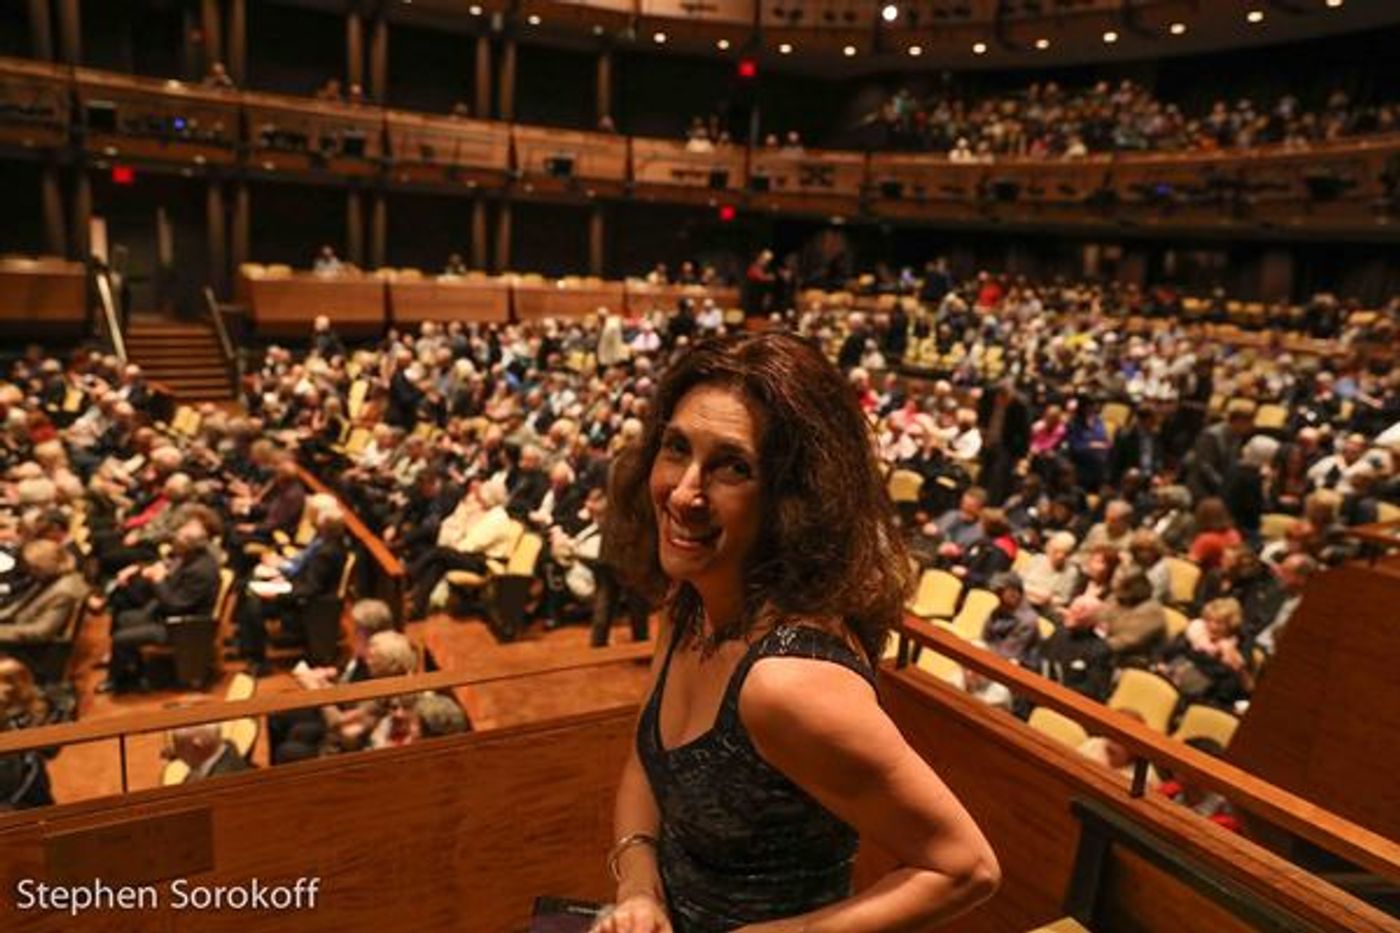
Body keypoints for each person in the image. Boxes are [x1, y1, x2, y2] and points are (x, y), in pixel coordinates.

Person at [597, 333, 998, 933]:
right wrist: (637, 890)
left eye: (733, 467)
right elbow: (644, 764)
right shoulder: (691, 601)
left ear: (795, 495)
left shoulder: (788, 683)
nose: (684, 493)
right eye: (676, 448)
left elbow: (966, 868)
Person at [168, 722, 252, 782]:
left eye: (178, 746)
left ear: (197, 746)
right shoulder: (221, 753)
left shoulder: (222, 782)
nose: (175, 752)